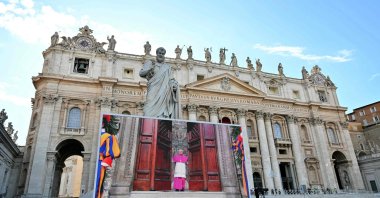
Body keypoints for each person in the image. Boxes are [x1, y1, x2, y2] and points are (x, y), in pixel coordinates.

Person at [139, 47, 180, 119]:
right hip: (153, 90)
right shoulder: (150, 63)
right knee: (147, 110)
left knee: (163, 113)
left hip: (164, 93)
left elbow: (171, 80)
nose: (161, 55)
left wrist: (174, 86)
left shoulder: (167, 67)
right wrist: (150, 69)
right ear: (156, 54)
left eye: (163, 54)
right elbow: (141, 73)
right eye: (159, 53)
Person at [96, 115, 121, 198]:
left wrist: (106, 161)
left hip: (100, 162)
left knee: (98, 184)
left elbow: (114, 152)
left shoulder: (108, 136)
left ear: (102, 124)